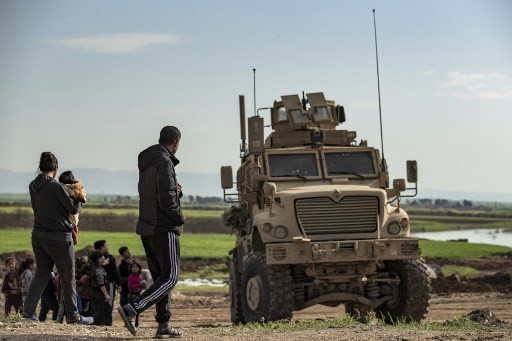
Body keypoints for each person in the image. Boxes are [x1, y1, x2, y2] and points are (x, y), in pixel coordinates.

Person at [118, 126, 184, 338]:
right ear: (175, 141)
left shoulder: (147, 161)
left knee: (160, 278)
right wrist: (179, 217)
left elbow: (154, 193)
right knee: (171, 276)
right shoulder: (165, 161)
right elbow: (165, 199)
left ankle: (163, 324)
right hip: (163, 226)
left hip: (147, 226)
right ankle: (133, 309)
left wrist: (176, 192)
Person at [22, 152, 93, 324]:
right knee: (68, 276)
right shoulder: (56, 187)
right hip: (59, 237)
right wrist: (79, 198)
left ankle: (28, 313)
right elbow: (73, 209)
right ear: (56, 167)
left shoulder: (33, 185)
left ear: (40, 167)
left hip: (38, 235)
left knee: (41, 274)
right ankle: (74, 316)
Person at [93, 240, 120, 325]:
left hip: (95, 286)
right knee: (108, 304)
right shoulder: (109, 257)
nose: (107, 247)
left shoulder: (92, 257)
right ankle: (107, 324)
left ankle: (101, 322)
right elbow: (115, 271)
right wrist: (118, 283)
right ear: (102, 248)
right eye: (106, 246)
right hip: (108, 284)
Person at [58, 170, 87, 245]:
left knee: (72, 228)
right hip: (73, 218)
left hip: (69, 218)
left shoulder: (66, 189)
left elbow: (74, 208)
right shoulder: (79, 189)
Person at [89, 250, 111, 326]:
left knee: (100, 310)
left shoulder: (94, 267)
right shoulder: (99, 270)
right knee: (100, 311)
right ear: (99, 259)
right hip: (99, 293)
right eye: (102, 256)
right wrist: (106, 295)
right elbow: (101, 283)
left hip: (94, 292)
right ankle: (99, 326)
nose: (104, 257)